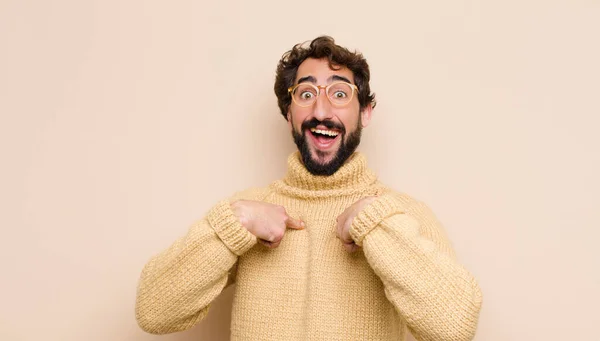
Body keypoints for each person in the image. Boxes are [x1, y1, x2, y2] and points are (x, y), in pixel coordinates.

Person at [135, 36, 483, 341]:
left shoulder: (399, 215)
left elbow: (454, 328)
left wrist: (375, 223)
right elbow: (153, 312)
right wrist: (230, 226)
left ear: (365, 112)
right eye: (305, 94)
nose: (321, 110)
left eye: (339, 93)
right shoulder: (248, 214)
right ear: (289, 113)